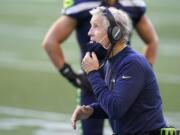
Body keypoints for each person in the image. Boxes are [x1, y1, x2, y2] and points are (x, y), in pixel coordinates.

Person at [42, 0, 158, 134]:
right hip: (92, 84)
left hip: (122, 81)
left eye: (95, 26)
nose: (90, 33)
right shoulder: (83, 5)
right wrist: (72, 76)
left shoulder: (132, 5)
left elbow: (152, 41)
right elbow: (50, 42)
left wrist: (142, 75)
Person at [71, 6, 167, 135]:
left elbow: (115, 108)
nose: (89, 32)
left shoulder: (132, 63)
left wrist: (93, 73)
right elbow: (120, 103)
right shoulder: (111, 61)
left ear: (114, 32)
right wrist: (91, 110)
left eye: (96, 26)